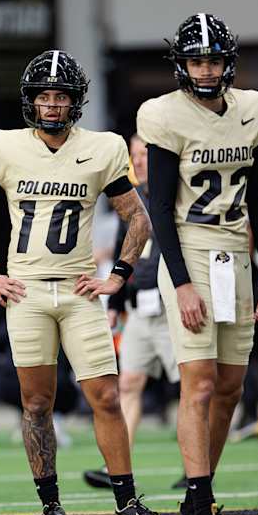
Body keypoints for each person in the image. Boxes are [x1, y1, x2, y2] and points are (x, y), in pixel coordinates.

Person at [0, 49, 174, 515]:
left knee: (107, 397)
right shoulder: (4, 147)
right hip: (27, 293)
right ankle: (51, 505)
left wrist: (118, 275)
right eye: (44, 96)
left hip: (79, 294)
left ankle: (126, 503)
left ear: (76, 101)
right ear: (31, 101)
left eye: (61, 96)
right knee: (35, 404)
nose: (52, 105)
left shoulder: (105, 146)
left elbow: (137, 214)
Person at [138, 13, 258, 515]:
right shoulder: (164, 116)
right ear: (182, 64)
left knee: (230, 387)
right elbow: (158, 207)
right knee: (198, 383)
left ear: (228, 63)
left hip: (237, 254)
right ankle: (201, 506)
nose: (205, 68)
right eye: (197, 59)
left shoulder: (253, 109)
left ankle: (196, 499)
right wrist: (180, 282)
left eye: (213, 59)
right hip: (191, 249)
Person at [83, 134, 181, 490]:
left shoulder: (174, 194)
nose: (138, 161)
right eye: (133, 155)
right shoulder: (128, 199)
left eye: (144, 154)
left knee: (190, 384)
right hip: (140, 304)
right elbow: (129, 257)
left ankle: (198, 468)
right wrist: (119, 303)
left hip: (171, 302)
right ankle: (118, 467)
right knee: (129, 383)